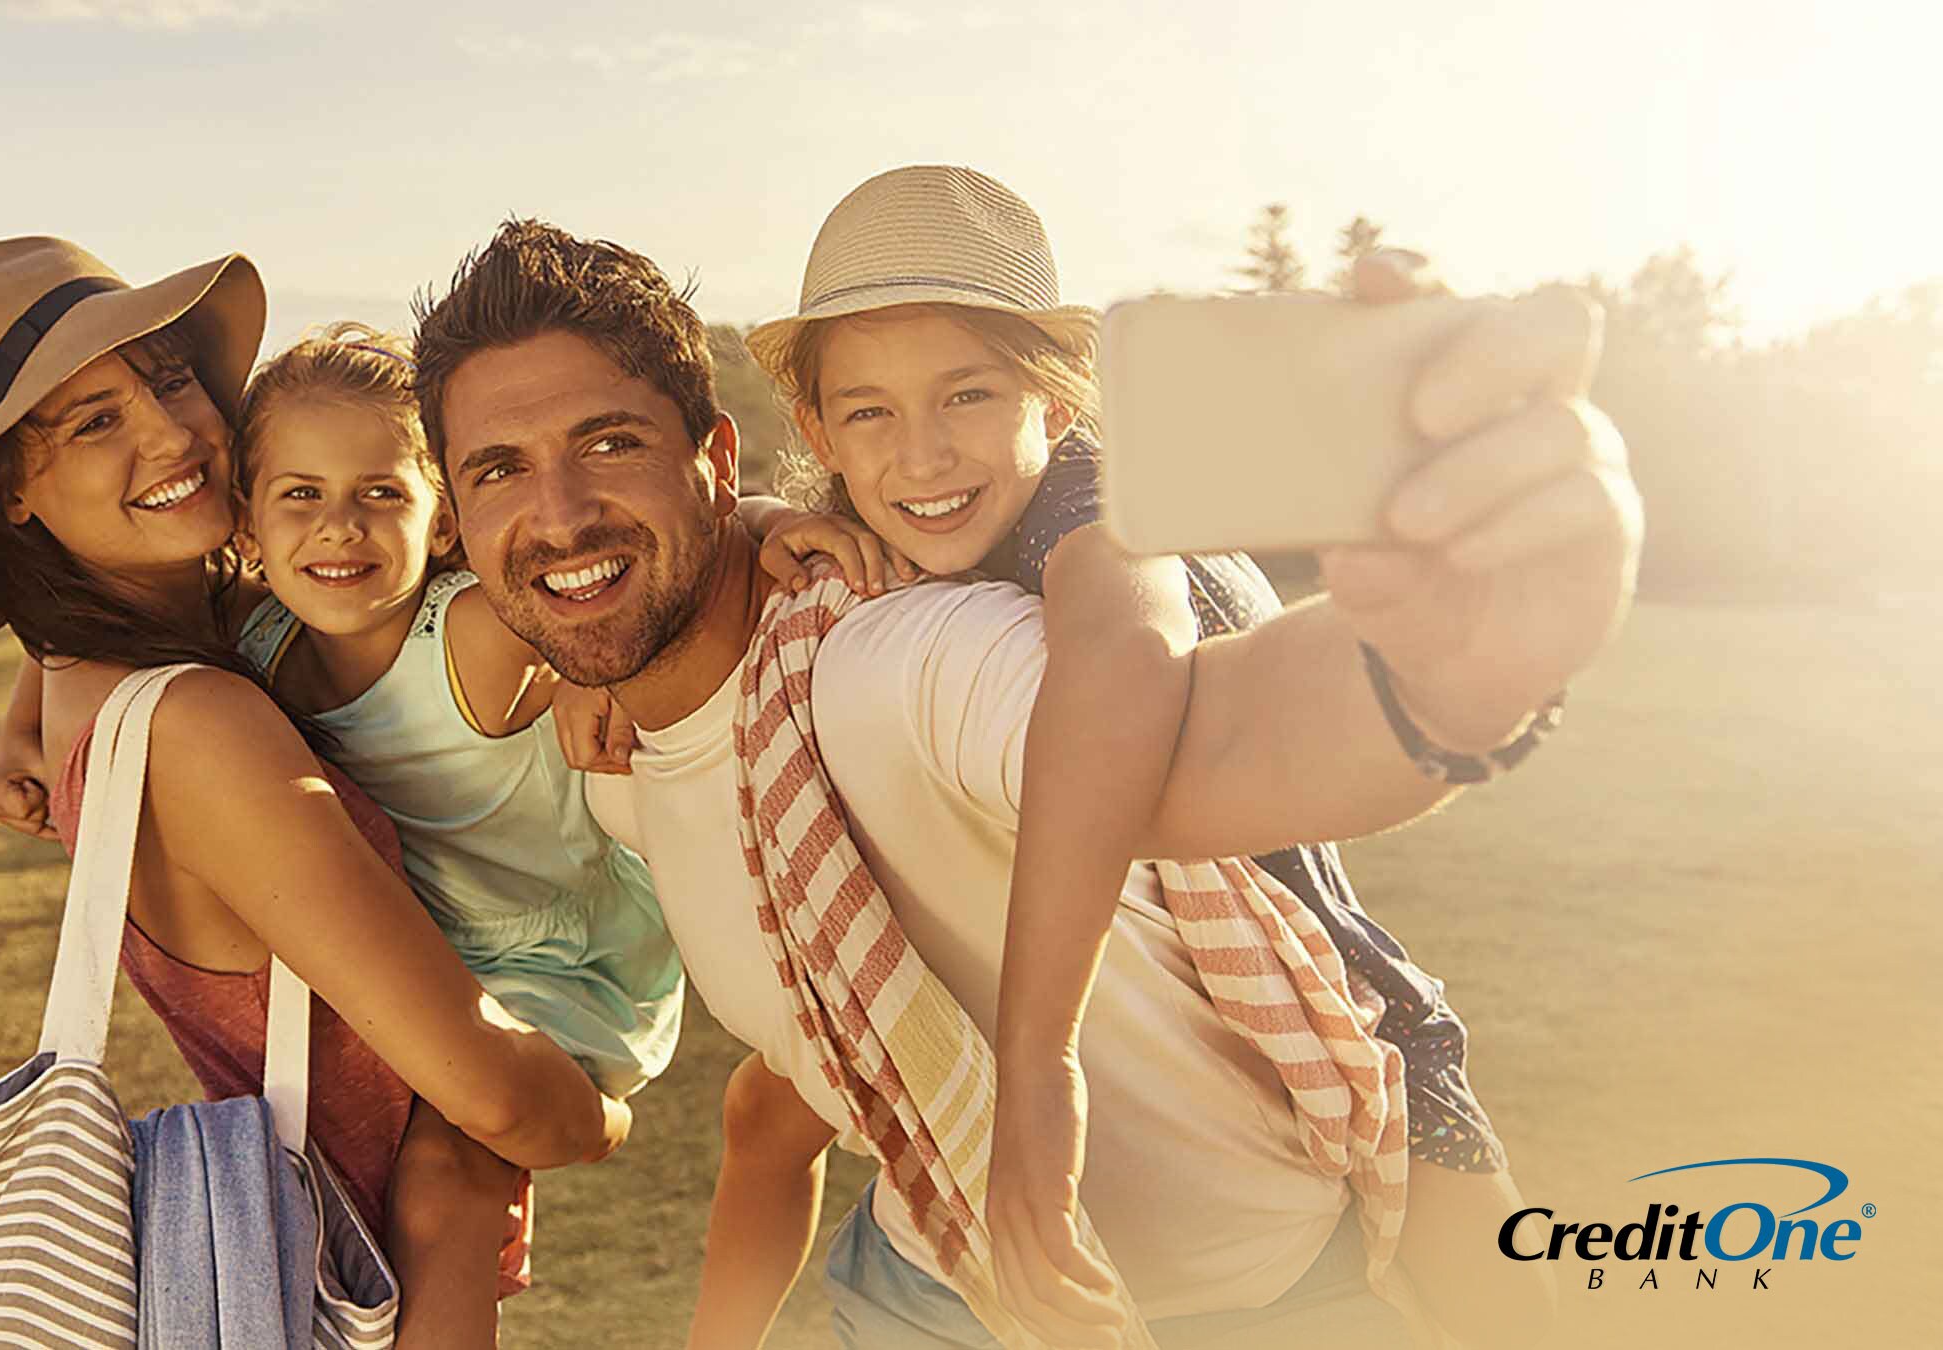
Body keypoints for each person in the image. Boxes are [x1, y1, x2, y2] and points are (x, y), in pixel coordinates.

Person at [410, 218, 1640, 1348]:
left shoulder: (892, 659)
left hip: (1230, 1311)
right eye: (500, 470)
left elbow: (1207, 737)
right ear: (457, 521)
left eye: (609, 444)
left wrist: (1450, 680)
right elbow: (797, 1070)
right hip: (919, 1281)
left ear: (716, 457)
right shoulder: (620, 773)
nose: (560, 512)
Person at [740, 164, 1546, 1348]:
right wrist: (763, 523)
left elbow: (1124, 655)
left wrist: (1038, 1068)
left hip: (1355, 1015)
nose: (920, 455)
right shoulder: (896, 517)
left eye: (969, 395)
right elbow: (730, 520)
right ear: (817, 429)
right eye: (870, 412)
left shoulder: (1100, 507)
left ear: (1053, 405)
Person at [0, 236, 627, 1348]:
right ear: (14, 498)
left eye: (170, 378)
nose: (172, 433)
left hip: (334, 1264)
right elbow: (501, 1098)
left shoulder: (100, 686)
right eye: (94, 423)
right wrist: (602, 1117)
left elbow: (59, 638)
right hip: (372, 1278)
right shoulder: (197, 724)